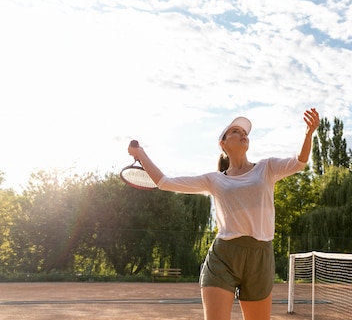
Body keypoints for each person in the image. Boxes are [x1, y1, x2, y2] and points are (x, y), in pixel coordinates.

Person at [127, 108, 320, 320]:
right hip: (224, 258)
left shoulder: (267, 168)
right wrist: (141, 153)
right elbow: (165, 182)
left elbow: (300, 161)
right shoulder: (214, 180)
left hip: (260, 257)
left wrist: (308, 134)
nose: (243, 134)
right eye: (236, 131)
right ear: (223, 143)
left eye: (245, 132)